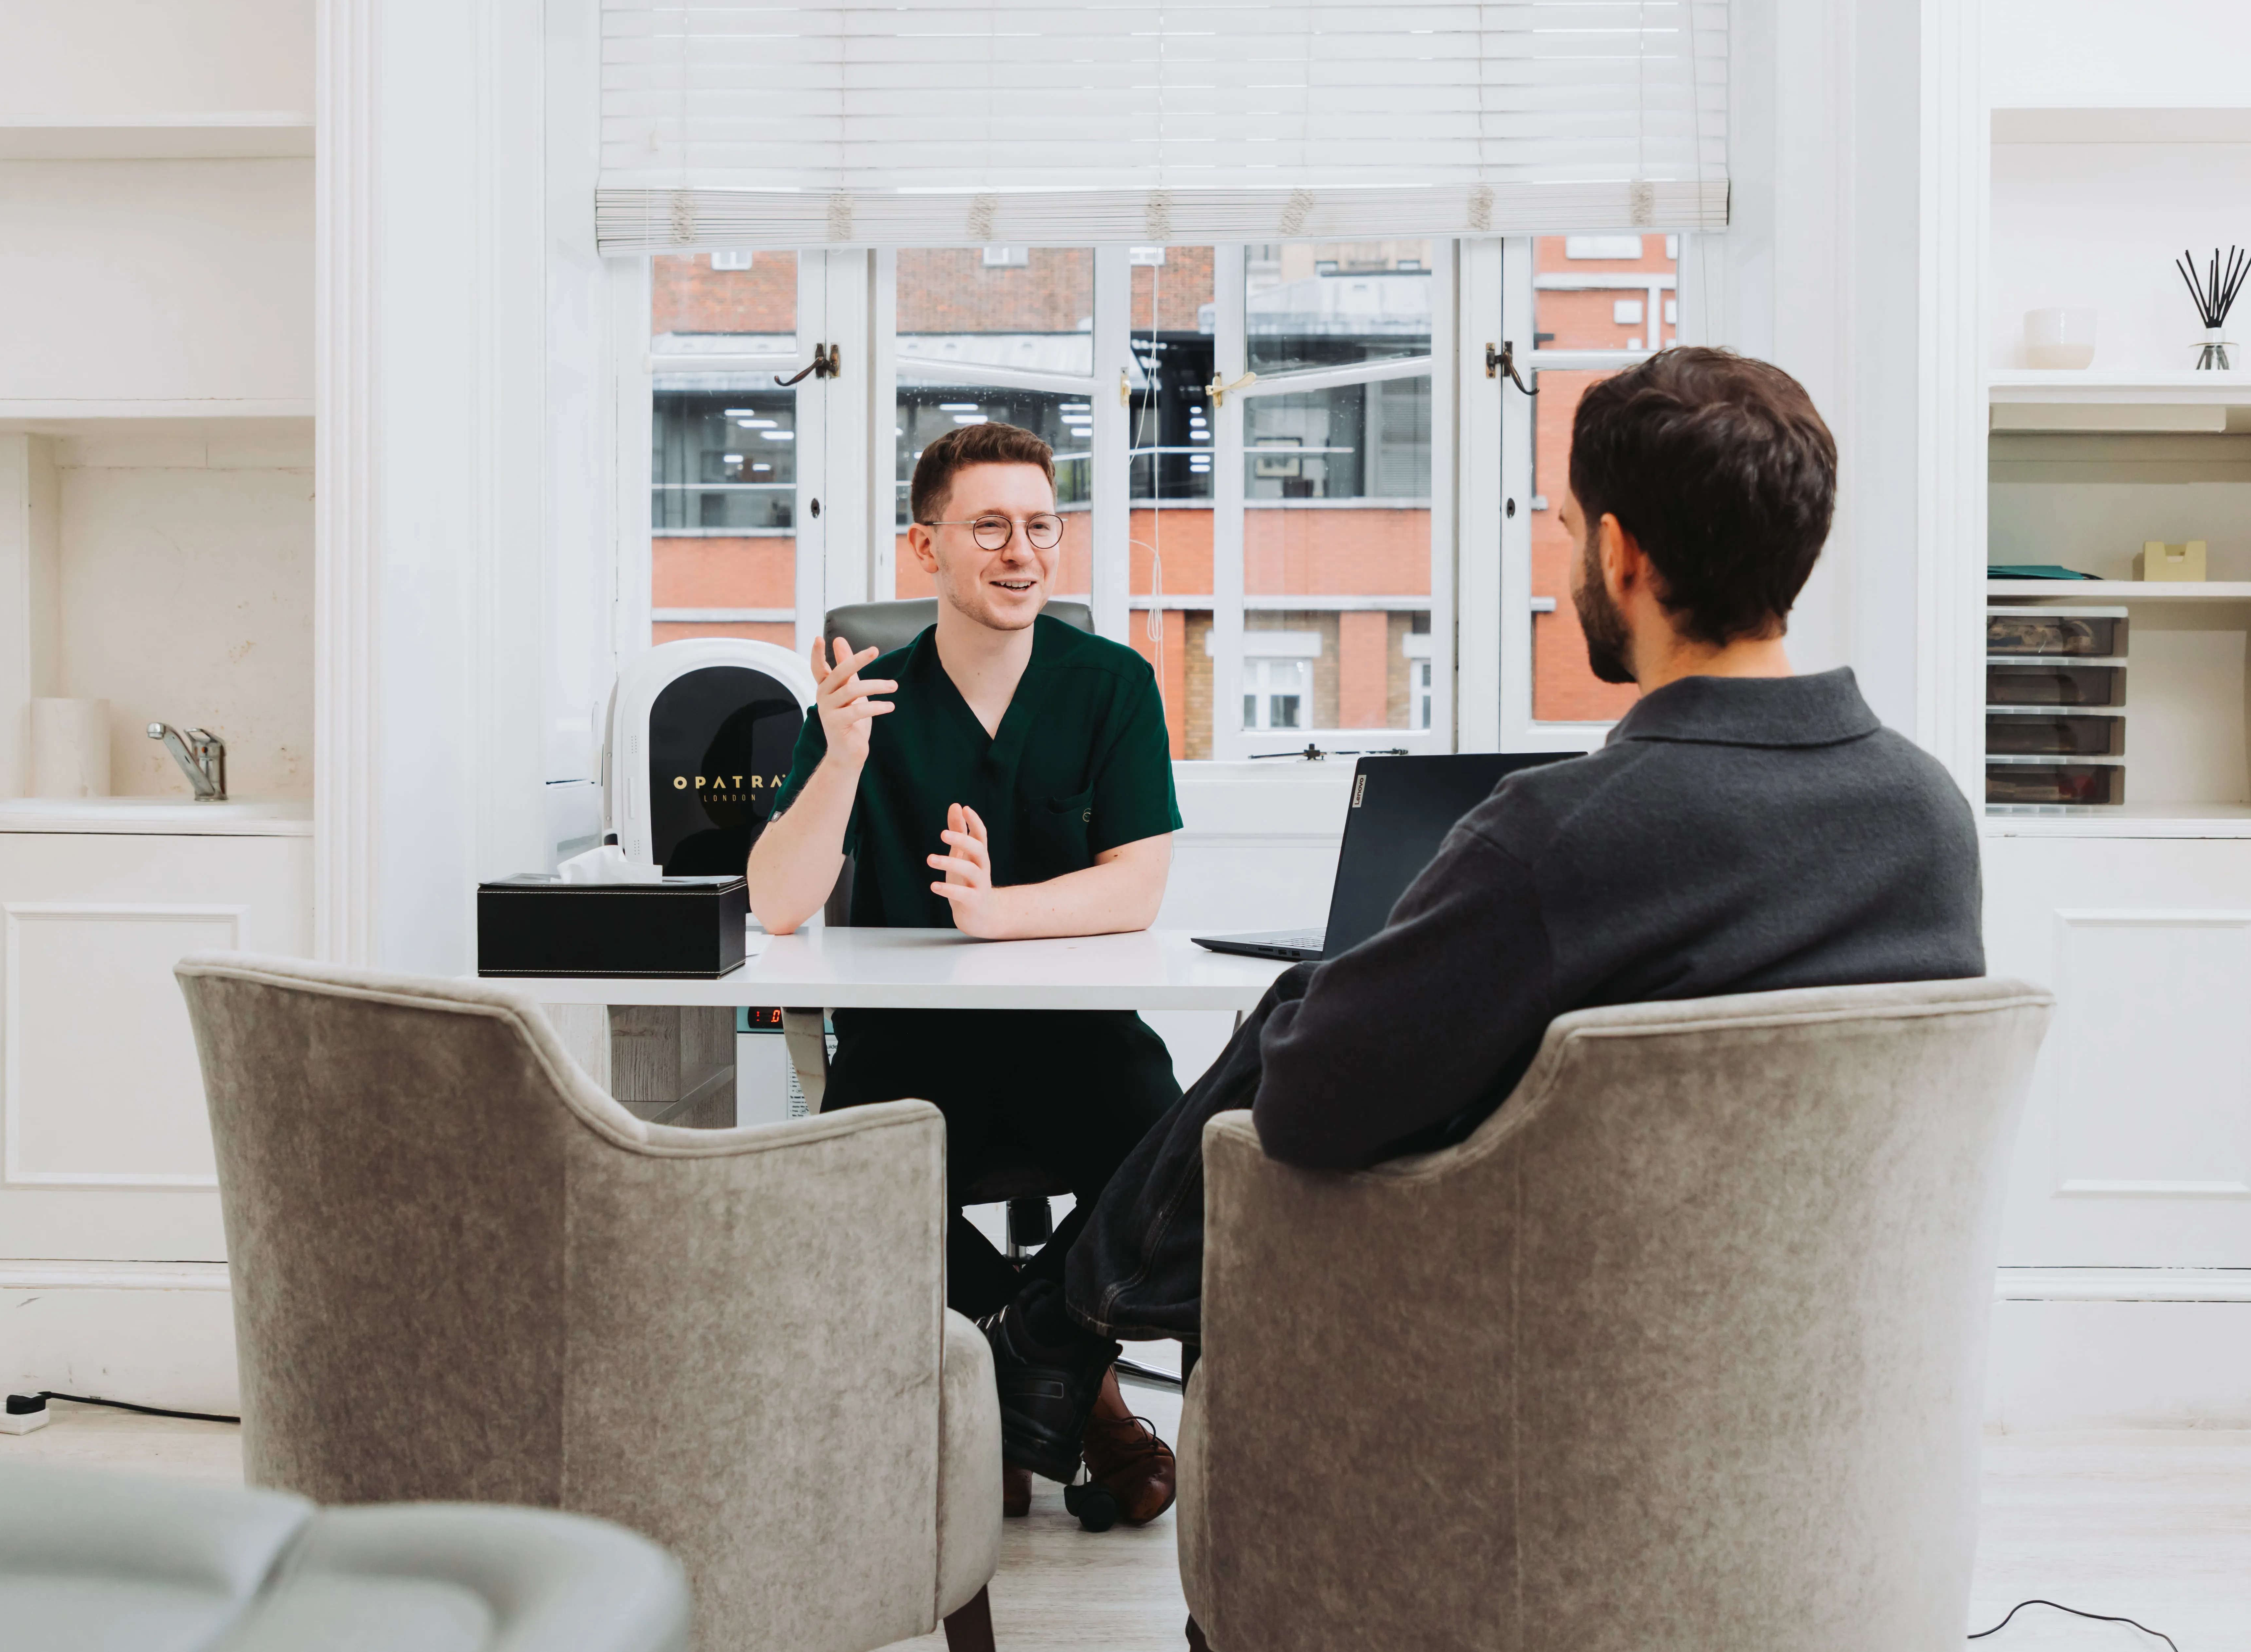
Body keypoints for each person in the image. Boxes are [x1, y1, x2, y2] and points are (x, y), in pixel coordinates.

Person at [981, 347, 1988, 1527]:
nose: (1569, 567)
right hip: (1832, 1399)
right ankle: (1054, 1329)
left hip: (1556, 1386)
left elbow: (1306, 1109)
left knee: (1304, 1013)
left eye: (1567, 533)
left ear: (1621, 553)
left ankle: (1053, 1329)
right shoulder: (1928, 816)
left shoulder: (1560, 837)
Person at [746, 420, 1181, 1525]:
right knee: (847, 1197)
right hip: (911, 1046)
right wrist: (840, 760)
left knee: (1187, 1176)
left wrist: (1000, 916)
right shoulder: (866, 701)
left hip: (1079, 1040)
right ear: (923, 548)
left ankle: (1032, 1356)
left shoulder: (1113, 685)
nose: (1021, 552)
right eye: (988, 526)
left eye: (1042, 526)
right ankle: (1077, 1390)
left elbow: (1137, 885)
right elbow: (779, 901)